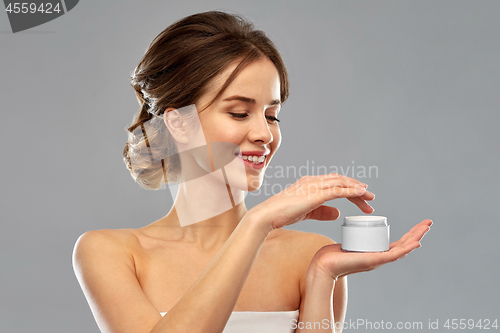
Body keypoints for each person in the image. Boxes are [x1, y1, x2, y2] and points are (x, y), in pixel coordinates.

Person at [72, 11, 432, 333]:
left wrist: (323, 275)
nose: (264, 134)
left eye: (272, 115)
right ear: (180, 124)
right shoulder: (111, 253)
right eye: (240, 113)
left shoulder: (311, 257)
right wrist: (256, 224)